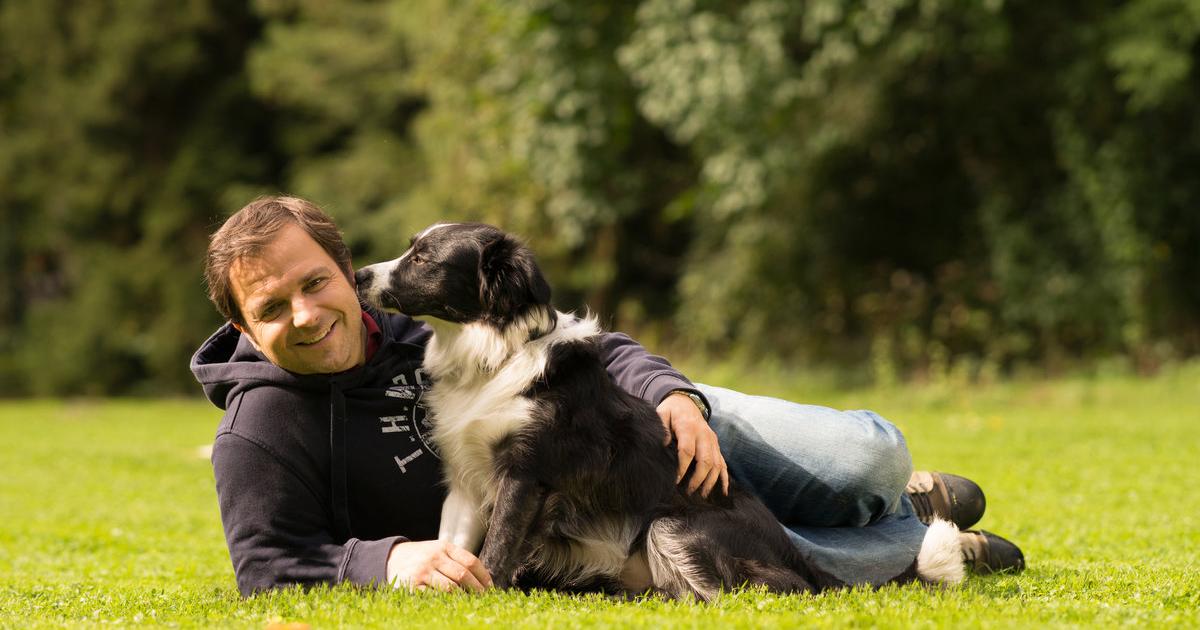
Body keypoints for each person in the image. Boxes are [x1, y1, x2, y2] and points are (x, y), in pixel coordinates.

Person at [191, 196, 1024, 597]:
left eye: (315, 283)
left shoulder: (426, 322)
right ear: (240, 324)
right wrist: (385, 557)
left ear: (345, 272)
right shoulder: (260, 433)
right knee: (707, 551)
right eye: (271, 308)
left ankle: (892, 492)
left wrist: (676, 396)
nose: (306, 316)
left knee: (864, 457)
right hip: (573, 519)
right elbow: (264, 564)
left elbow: (584, 342)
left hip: (644, 420)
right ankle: (914, 536)